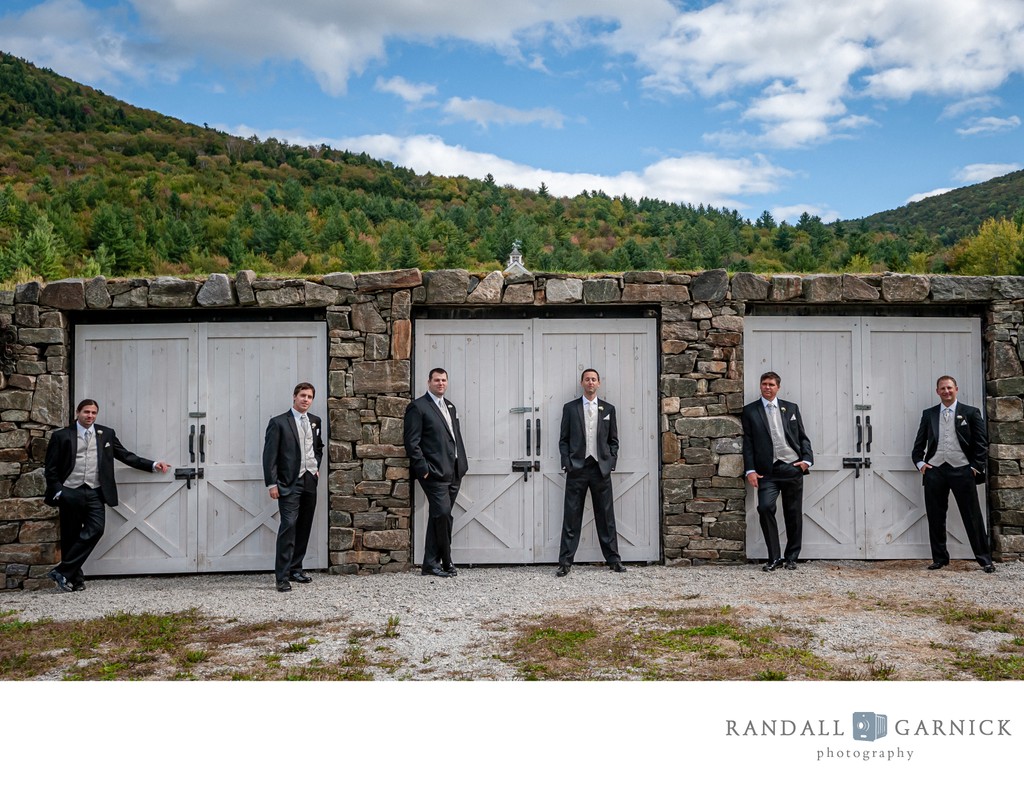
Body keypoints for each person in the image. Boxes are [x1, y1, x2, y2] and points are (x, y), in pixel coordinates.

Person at [43, 399, 170, 592]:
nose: (90, 416)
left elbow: (125, 455)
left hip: (95, 491)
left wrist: (152, 465)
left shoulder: (106, 434)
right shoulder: (61, 436)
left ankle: (62, 571)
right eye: (86, 412)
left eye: (94, 413)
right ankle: (74, 580)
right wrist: (60, 491)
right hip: (70, 491)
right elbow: (51, 469)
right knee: (71, 535)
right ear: (78, 412)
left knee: (96, 529)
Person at [912, 375, 994, 573]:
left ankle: (985, 560)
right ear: (937, 391)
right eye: (942, 388)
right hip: (935, 471)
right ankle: (940, 559)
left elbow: (981, 444)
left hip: (963, 470)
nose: (946, 391)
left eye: (949, 388)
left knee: (972, 516)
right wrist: (921, 464)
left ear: (956, 389)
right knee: (936, 516)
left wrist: (974, 467)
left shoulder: (971, 413)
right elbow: (919, 445)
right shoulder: (929, 414)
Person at [742, 371, 813, 571]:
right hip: (767, 471)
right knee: (764, 507)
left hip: (791, 467)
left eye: (771, 384)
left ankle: (791, 557)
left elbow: (801, 436)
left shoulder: (790, 408)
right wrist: (750, 470)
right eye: (764, 384)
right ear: (760, 386)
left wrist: (806, 460)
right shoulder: (750, 411)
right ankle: (774, 557)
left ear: (778, 387)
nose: (767, 387)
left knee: (793, 514)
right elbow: (748, 443)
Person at [556, 368, 625, 576]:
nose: (590, 383)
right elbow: (563, 440)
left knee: (606, 516)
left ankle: (613, 559)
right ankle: (565, 562)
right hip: (577, 468)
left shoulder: (609, 409)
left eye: (594, 379)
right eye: (587, 379)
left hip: (600, 469)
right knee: (571, 517)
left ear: (599, 383)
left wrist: (610, 462)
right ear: (581, 383)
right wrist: (567, 463)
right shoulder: (570, 408)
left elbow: (614, 441)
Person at [404, 367, 468, 578]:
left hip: (454, 471)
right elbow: (412, 443)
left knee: (438, 517)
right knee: (443, 514)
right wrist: (423, 470)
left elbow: (453, 437)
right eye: (437, 380)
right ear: (428, 382)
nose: (440, 383)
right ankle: (447, 561)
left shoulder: (449, 406)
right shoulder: (418, 407)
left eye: (443, 380)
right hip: (433, 473)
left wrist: (462, 465)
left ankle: (430, 564)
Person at [263, 382, 324, 592]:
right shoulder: (279, 422)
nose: (306, 400)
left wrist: (316, 466)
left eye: (309, 397)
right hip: (289, 482)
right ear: (294, 397)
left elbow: (319, 447)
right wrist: (272, 483)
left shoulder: (316, 421)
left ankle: (296, 569)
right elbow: (269, 456)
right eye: (302, 396)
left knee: (304, 526)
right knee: (288, 526)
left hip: (309, 480)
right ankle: (282, 576)